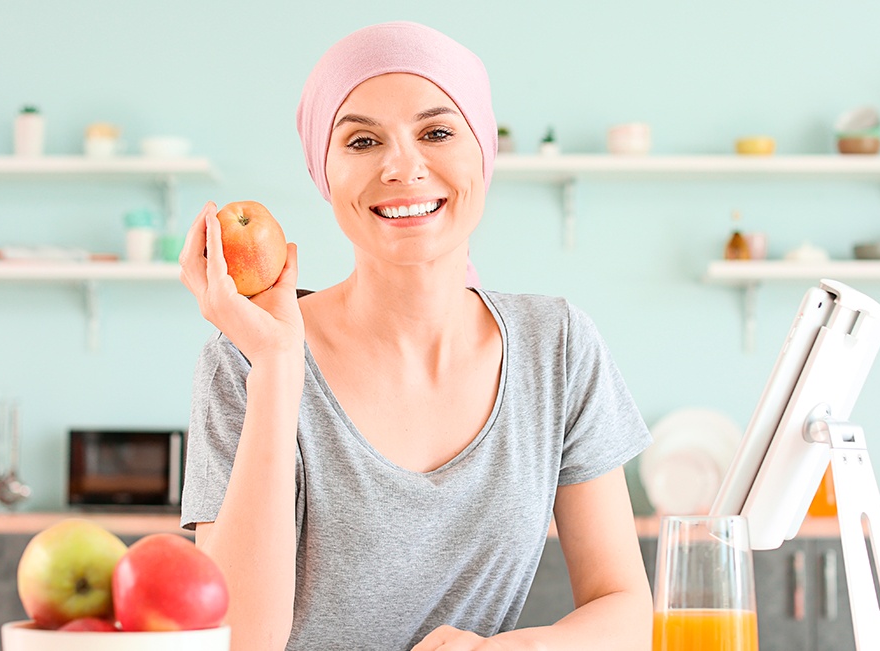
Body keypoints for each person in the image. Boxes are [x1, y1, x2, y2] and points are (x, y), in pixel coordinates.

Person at [178, 21, 653, 651]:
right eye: (362, 141)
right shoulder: (247, 355)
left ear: (481, 152)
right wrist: (275, 369)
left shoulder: (557, 348)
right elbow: (238, 643)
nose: (403, 167)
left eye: (436, 132)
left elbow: (624, 607)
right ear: (325, 174)